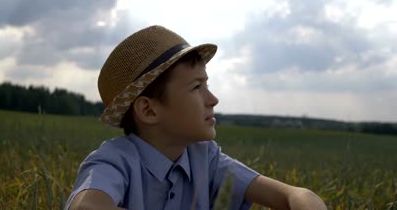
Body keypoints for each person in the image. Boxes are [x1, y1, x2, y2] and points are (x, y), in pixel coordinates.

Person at [65, 25, 327, 210]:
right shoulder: (115, 161)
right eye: (196, 87)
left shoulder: (205, 158)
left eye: (207, 85)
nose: (213, 99)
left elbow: (296, 196)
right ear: (148, 110)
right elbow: (86, 207)